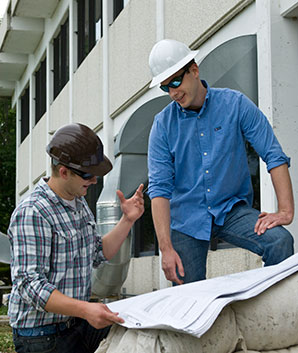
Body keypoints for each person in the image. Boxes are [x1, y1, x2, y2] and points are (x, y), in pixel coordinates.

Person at [147, 39, 294, 286]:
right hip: (186, 220)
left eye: (175, 82)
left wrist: (286, 211)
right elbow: (159, 190)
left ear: (194, 70)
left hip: (230, 210)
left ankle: (273, 316)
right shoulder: (162, 126)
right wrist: (166, 248)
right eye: (165, 88)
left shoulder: (235, 104)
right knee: (187, 297)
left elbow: (273, 155)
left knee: (280, 241)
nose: (173, 92)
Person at [8, 123, 144, 353]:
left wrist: (127, 220)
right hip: (42, 338)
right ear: (63, 171)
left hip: (76, 325)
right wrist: (85, 309)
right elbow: (30, 286)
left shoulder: (79, 203)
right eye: (89, 175)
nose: (94, 182)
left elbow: (98, 253)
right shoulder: (33, 212)